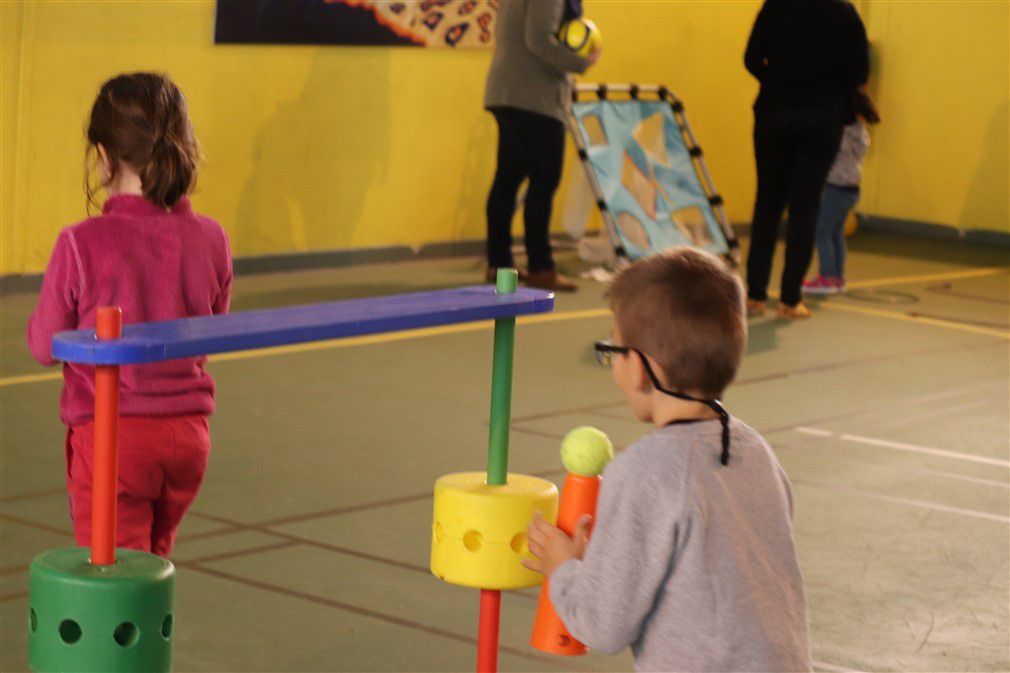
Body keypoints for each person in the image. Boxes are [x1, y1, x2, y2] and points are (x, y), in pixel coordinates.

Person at [523, 248, 811, 672]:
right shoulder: (756, 451)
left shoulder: (643, 472)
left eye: (613, 350)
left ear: (637, 368)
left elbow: (603, 625)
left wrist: (564, 568)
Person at [26, 73, 232, 557]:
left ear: (102, 157)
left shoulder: (80, 243)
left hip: (115, 442)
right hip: (188, 438)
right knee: (151, 569)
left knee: (116, 583)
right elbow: (214, 328)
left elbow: (42, 346)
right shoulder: (212, 238)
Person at [743, 0, 869, 319]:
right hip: (822, 118)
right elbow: (860, 72)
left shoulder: (776, 6)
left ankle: (754, 296)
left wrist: (777, 81)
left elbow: (751, 58)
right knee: (805, 207)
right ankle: (790, 299)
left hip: (775, 112)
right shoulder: (845, 12)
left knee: (768, 204)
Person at [483, 0, 599, 292]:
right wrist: (582, 62)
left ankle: (499, 264)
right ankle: (541, 267)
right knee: (543, 181)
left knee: (507, 179)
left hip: (509, 93)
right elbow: (538, 41)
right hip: (534, 99)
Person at [804, 88, 880, 295]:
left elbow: (825, 147)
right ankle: (837, 277)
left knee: (822, 232)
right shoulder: (860, 131)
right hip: (851, 188)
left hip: (835, 187)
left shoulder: (843, 131)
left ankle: (827, 278)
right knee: (836, 233)